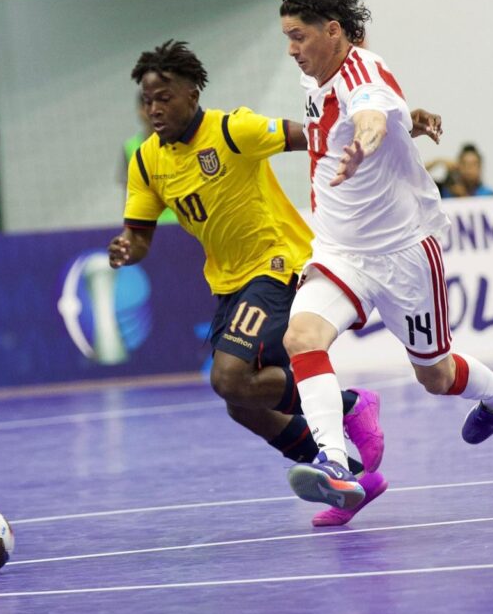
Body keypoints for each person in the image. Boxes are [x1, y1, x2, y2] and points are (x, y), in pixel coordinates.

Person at [107, 40, 390, 528]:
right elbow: (140, 236)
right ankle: (355, 482)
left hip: (277, 265)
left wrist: (370, 138)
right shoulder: (147, 161)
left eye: (165, 96)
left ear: (192, 93)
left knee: (229, 377)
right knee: (242, 404)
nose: (154, 108)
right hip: (228, 284)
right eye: (147, 99)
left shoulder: (232, 129)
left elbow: (314, 135)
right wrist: (127, 249)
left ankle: (350, 406)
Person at [277, 0, 493, 511]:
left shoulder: (366, 74)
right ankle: (335, 465)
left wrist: (370, 138)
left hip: (403, 251)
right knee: (302, 338)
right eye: (286, 37)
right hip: (340, 250)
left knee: (434, 374)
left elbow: (368, 114)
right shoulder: (312, 78)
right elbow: (363, 119)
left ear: (333, 30)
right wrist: (409, 120)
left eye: (298, 36)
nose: (291, 49)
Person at [119, 94, 176, 224]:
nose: (152, 111)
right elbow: (128, 196)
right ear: (140, 111)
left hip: (182, 225)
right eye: (147, 105)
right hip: (149, 227)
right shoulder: (130, 148)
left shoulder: (181, 143)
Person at [426, 143, 493, 198]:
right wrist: (438, 161)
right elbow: (417, 179)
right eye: (464, 164)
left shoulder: (489, 195)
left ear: (480, 167)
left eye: (473, 164)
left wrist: (463, 196)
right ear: (458, 166)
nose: (469, 169)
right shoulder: (445, 191)